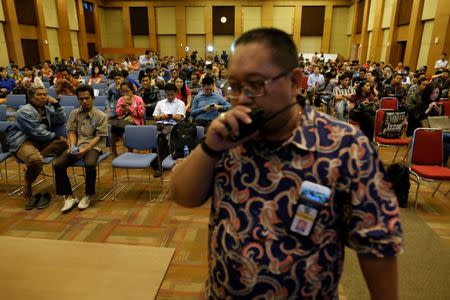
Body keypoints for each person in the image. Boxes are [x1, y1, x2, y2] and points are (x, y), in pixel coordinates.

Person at [170, 28, 403, 299]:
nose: (242, 98)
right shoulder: (228, 136)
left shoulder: (346, 147)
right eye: (234, 86)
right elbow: (182, 195)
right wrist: (210, 147)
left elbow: (377, 246)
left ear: (294, 82)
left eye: (256, 85)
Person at [5, 84, 67, 209]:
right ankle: (28, 183)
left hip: (40, 141)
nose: (43, 97)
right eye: (39, 95)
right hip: (24, 141)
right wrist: (54, 136)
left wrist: (56, 105)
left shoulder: (46, 109)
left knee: (64, 143)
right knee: (36, 160)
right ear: (31, 97)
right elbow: (37, 132)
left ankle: (34, 158)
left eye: (45, 94)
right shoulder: (25, 111)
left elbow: (61, 120)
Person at [53, 85, 108, 212]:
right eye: (81, 99)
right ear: (78, 99)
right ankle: (69, 196)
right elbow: (72, 132)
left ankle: (88, 194)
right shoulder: (74, 113)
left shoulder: (100, 116)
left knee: (89, 164)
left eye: (87, 98)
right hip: (77, 145)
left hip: (94, 146)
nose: (84, 101)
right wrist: (72, 146)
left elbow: (99, 137)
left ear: (93, 98)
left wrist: (87, 149)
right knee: (58, 164)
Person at [152, 83, 186, 177]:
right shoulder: (160, 103)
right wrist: (162, 116)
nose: (170, 96)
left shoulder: (180, 103)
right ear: (165, 93)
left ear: (176, 93)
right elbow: (155, 117)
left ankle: (160, 165)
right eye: (168, 94)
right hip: (161, 125)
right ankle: (158, 163)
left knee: (162, 137)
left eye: (172, 94)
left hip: (176, 126)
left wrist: (167, 116)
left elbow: (179, 117)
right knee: (155, 136)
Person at [110, 82, 145, 157]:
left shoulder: (138, 99)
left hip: (135, 122)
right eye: (123, 91)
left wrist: (130, 109)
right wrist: (122, 108)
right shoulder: (121, 99)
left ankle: (130, 151)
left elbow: (141, 114)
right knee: (113, 129)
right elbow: (118, 113)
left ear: (132, 90)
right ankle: (114, 151)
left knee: (124, 130)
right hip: (123, 122)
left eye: (127, 91)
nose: (125, 93)